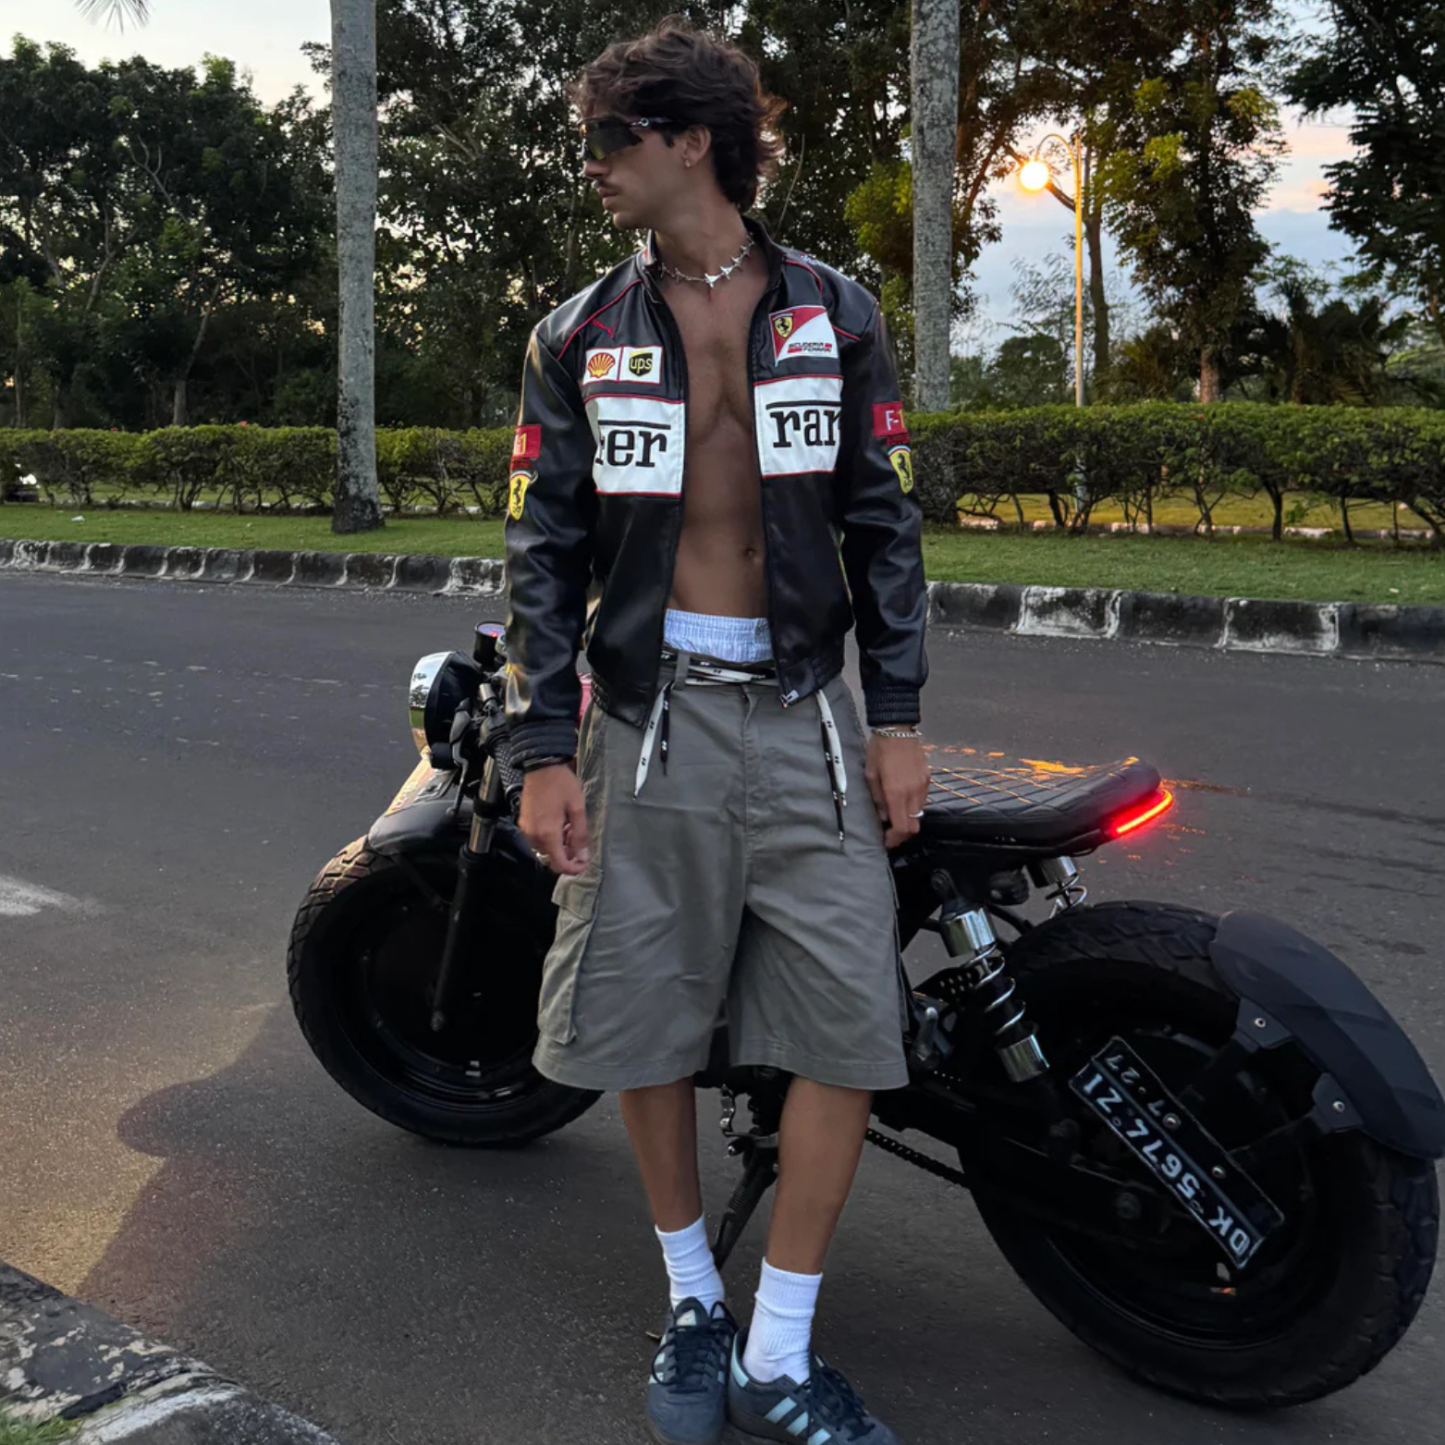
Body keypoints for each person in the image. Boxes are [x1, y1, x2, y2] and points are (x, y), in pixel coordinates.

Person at [503, 17, 929, 1445]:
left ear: (690, 141)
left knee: (853, 1028)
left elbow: (884, 527)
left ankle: (780, 1348)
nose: (591, 166)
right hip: (651, 718)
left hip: (808, 715)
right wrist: (542, 751)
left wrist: (898, 718)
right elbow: (543, 553)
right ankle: (696, 1301)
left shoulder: (836, 313)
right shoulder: (577, 334)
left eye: (607, 139)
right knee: (643, 1012)